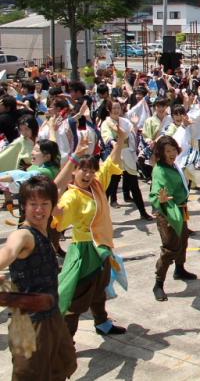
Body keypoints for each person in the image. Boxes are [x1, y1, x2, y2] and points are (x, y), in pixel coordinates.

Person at [0, 176, 77, 380]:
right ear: (24, 206)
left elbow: (57, 184)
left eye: (44, 204)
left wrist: (75, 155)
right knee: (30, 375)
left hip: (52, 316)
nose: (39, 210)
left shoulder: (43, 230)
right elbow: (8, 251)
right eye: (33, 204)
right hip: (30, 325)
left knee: (62, 365)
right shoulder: (24, 235)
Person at [52, 128, 128, 337]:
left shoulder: (96, 185)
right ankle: (65, 343)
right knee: (76, 297)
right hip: (84, 250)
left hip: (101, 247)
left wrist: (121, 140)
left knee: (99, 289)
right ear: (74, 172)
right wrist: (50, 200)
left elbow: (110, 162)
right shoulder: (72, 196)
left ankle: (102, 323)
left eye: (91, 170)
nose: (87, 174)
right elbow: (56, 211)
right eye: (82, 170)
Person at [150, 135, 196, 302]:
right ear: (161, 153)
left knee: (183, 241)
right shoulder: (160, 170)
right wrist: (159, 199)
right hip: (167, 213)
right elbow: (156, 192)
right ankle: (158, 283)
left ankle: (180, 269)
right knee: (170, 248)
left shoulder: (174, 164)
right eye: (167, 151)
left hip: (181, 210)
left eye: (173, 149)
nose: (171, 153)